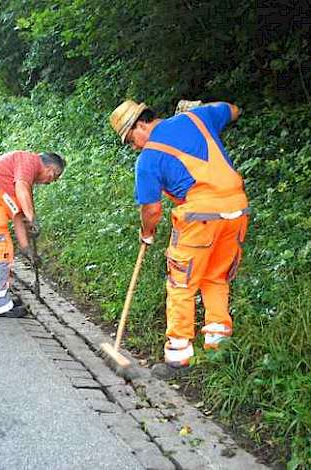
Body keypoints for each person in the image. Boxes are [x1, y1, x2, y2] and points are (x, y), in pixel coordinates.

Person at [109, 99, 248, 378]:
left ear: (140, 124)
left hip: (199, 215)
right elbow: (233, 109)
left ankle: (179, 355)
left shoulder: (148, 159)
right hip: (237, 209)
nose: (133, 146)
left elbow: (151, 209)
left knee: (181, 282)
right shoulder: (197, 118)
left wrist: (146, 234)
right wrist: (199, 110)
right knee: (216, 276)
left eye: (129, 139)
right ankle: (217, 345)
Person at [0, 151, 65, 318]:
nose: (50, 182)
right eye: (54, 178)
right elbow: (22, 191)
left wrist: (27, 250)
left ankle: (1, 299)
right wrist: (32, 218)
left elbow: (18, 216)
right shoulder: (28, 161)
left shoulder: (20, 178)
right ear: (51, 170)